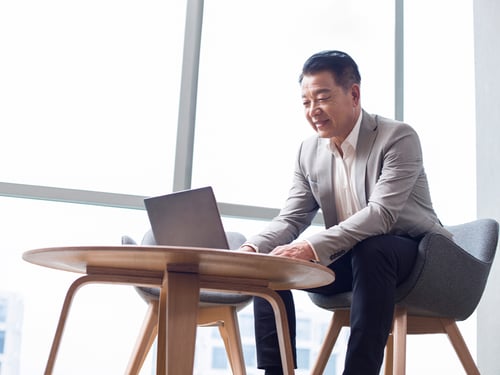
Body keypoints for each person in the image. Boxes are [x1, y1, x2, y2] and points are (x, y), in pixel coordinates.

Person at [239, 50, 452, 375]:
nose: (313, 111)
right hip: (356, 259)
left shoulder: (398, 137)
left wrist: (311, 247)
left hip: (417, 254)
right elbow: (291, 218)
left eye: (322, 98)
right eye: (306, 102)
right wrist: (253, 249)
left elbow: (381, 215)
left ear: (354, 94)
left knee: (373, 248)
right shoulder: (308, 152)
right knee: (271, 265)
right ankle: (276, 372)